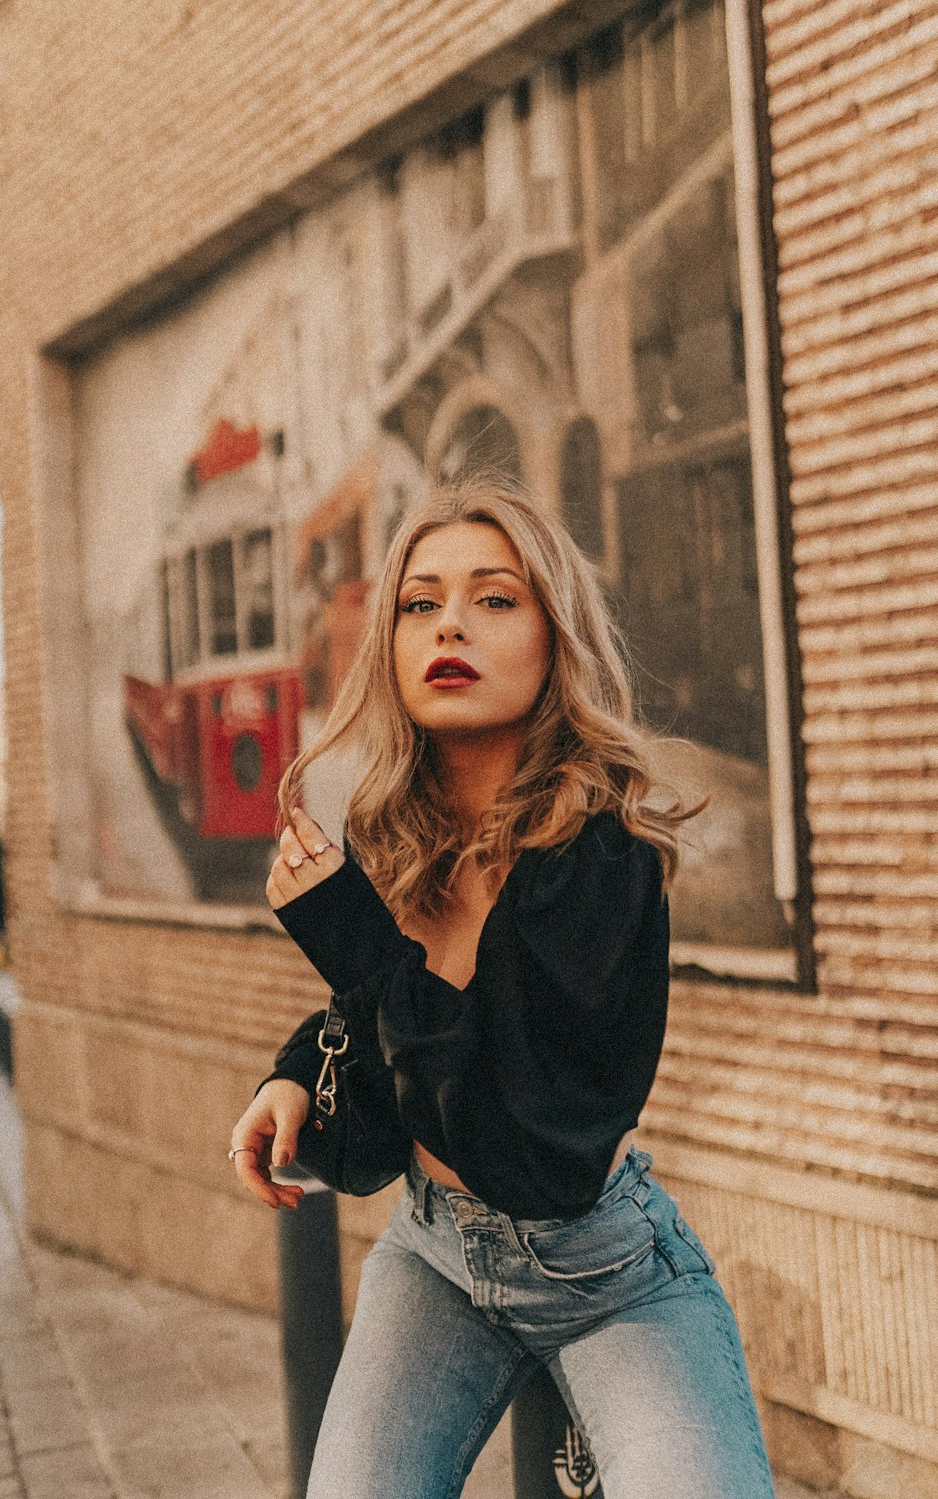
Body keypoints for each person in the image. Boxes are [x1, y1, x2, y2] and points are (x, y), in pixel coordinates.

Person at [230, 476, 776, 1498]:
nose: (452, 624)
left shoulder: (597, 857)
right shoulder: (395, 830)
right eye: (419, 601)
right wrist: (299, 1068)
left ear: (552, 634)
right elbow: (391, 1013)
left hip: (604, 1270)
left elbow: (525, 1133)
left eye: (494, 597)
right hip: (435, 1252)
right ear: (390, 645)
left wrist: (345, 931)